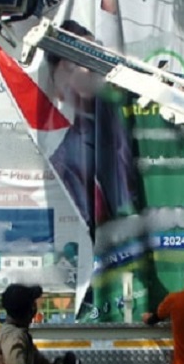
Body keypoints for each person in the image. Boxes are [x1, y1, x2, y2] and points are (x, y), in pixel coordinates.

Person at [46, 19, 140, 234]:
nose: (89, 69)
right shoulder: (64, 158)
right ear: (55, 80)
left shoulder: (120, 123)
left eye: (93, 57)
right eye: (75, 62)